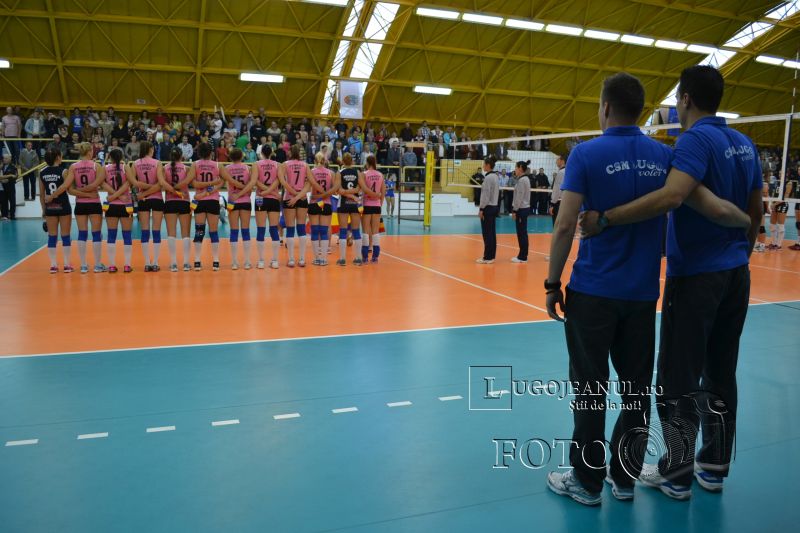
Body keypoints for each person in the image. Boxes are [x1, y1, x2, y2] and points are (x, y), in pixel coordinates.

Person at [545, 72, 752, 506]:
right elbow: (708, 204)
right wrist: (743, 226)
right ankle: (626, 478)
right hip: (643, 295)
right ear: (642, 111)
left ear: (605, 107)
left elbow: (565, 225)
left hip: (597, 290)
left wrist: (552, 282)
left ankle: (589, 480)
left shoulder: (586, 154)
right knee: (639, 390)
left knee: (594, 389)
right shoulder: (666, 155)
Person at [127, 141, 166, 272]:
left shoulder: (135, 163)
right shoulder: (157, 163)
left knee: (144, 231)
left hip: (143, 199)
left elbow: (133, 183)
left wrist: (142, 194)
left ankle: (146, 263)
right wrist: (152, 189)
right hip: (157, 198)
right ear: (150, 149)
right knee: (156, 230)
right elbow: (160, 184)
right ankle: (155, 263)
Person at [67, 142, 106, 272]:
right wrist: (89, 194)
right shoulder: (96, 166)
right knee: (96, 234)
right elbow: (97, 185)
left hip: (80, 203)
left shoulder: (73, 167)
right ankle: (98, 265)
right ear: (90, 152)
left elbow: (70, 190)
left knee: (82, 234)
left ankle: (83, 265)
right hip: (94, 202)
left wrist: (81, 192)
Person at [188, 142, 223, 271]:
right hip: (213, 200)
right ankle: (216, 261)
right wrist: (212, 186)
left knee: (199, 231)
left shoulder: (195, 164)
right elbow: (222, 181)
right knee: (213, 231)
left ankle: (197, 261)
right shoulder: (217, 165)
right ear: (211, 153)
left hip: (200, 200)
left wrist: (204, 192)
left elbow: (195, 184)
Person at [39, 148, 73, 273]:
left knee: (52, 236)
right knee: (65, 236)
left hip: (50, 207)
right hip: (63, 206)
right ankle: (67, 265)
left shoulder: (42, 172)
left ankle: (53, 265)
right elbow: (68, 188)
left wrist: (44, 210)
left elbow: (42, 194)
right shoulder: (64, 171)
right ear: (58, 157)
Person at [101, 148, 134, 273]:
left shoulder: (105, 168)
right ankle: (127, 265)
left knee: (111, 235)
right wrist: (120, 196)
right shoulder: (126, 167)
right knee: (127, 235)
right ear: (122, 157)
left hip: (111, 205)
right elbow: (129, 183)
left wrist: (114, 196)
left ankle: (111, 265)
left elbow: (102, 183)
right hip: (126, 205)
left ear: (110, 157)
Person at [278, 144, 311, 267]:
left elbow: (282, 181)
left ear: (290, 152)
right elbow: (309, 184)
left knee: (290, 228)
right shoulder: (305, 165)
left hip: (289, 197)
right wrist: (298, 196)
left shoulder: (284, 164)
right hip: (302, 197)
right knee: (301, 228)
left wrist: (293, 194)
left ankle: (291, 260)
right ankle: (302, 259)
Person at [223, 148, 255, 270]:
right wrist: (245, 194)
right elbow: (250, 187)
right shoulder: (248, 168)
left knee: (234, 231)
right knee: (245, 231)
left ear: (230, 157)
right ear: (242, 156)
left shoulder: (227, 168)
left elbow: (226, 184)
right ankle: (247, 261)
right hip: (245, 200)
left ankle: (234, 262)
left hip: (232, 201)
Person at [164, 147, 193, 272]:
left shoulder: (165, 168)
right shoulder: (187, 168)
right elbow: (190, 182)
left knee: (171, 233)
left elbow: (162, 184)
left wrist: (173, 189)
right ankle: (186, 264)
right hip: (184, 201)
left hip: (170, 201)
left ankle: (173, 264)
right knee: (185, 233)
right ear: (182, 156)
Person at [252, 145, 282, 269]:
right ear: (271, 153)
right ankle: (275, 261)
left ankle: (261, 261)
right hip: (274, 198)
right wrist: (271, 191)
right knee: (274, 229)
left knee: (261, 229)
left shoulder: (256, 164)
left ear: (261, 153)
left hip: (260, 198)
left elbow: (255, 181)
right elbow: (278, 180)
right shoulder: (278, 165)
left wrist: (265, 191)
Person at [335, 153, 363, 266]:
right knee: (356, 231)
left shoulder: (339, 173)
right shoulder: (357, 172)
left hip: (343, 203)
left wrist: (346, 192)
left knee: (343, 230)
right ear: (352, 161)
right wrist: (353, 196)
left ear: (343, 161)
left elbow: (339, 190)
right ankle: (358, 258)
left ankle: (342, 259)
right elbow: (359, 188)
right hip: (355, 204)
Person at [308, 153, 335, 266]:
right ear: (325, 161)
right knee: (324, 231)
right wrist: (325, 194)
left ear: (315, 161)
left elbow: (308, 188)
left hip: (314, 202)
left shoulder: (311, 172)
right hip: (326, 202)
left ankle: (317, 258)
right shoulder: (331, 173)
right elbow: (335, 190)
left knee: (314, 231)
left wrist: (316, 195)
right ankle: (323, 259)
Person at [358, 155, 385, 263]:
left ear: (367, 163)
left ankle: (365, 257)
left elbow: (362, 189)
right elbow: (383, 192)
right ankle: (375, 257)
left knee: (365, 231)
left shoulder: (364, 174)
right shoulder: (380, 175)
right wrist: (379, 204)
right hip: (377, 205)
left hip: (367, 204)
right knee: (375, 232)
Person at [476, 156, 499, 264]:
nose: (483, 166)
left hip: (488, 208)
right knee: (492, 233)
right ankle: (491, 256)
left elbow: (485, 195)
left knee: (487, 233)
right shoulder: (496, 176)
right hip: (494, 206)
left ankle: (487, 257)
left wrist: (481, 209)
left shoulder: (488, 178)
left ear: (488, 165)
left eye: (484, 164)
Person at [510, 161, 531, 263]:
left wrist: (515, 210)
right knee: (522, 233)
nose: (515, 169)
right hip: (523, 209)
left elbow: (519, 197)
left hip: (521, 209)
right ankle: (523, 255)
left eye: (516, 167)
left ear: (520, 168)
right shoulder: (524, 179)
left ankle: (522, 257)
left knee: (522, 233)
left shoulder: (522, 180)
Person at [768, 177, 788, 249]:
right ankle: (773, 243)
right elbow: (774, 194)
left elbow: (785, 197)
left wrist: (774, 204)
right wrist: (772, 203)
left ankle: (778, 245)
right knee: (772, 225)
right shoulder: (777, 182)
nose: (780, 173)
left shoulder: (788, 183)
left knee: (780, 226)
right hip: (775, 204)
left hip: (782, 205)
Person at [0, 153, 17, 220]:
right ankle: (5, 215)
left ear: (10, 159)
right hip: (3, 188)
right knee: (4, 202)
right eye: (4, 158)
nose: (4, 159)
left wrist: (8, 180)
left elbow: (15, 176)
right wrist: (3, 180)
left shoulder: (13, 166)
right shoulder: (1, 166)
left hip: (10, 187)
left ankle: (12, 216)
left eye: (6, 158)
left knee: (12, 202)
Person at [550, 156, 565, 225]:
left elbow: (557, 189)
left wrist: (552, 204)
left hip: (558, 202)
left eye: (557, 160)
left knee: (556, 225)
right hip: (566, 201)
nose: (556, 161)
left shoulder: (561, 172)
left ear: (562, 161)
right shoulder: (569, 171)